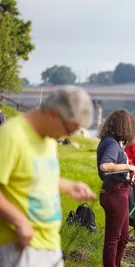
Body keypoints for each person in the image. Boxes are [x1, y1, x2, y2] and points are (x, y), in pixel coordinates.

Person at [0, 87, 97, 267]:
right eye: (70, 129)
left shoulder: (49, 139)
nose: (69, 136)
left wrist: (70, 186)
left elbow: (40, 178)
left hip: (51, 244)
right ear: (54, 114)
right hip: (21, 246)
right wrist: (19, 220)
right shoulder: (11, 136)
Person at [97, 109, 135, 267]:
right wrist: (128, 166)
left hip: (118, 191)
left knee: (124, 238)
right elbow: (105, 166)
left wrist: (128, 173)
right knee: (113, 238)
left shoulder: (110, 142)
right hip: (115, 192)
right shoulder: (112, 144)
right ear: (122, 127)